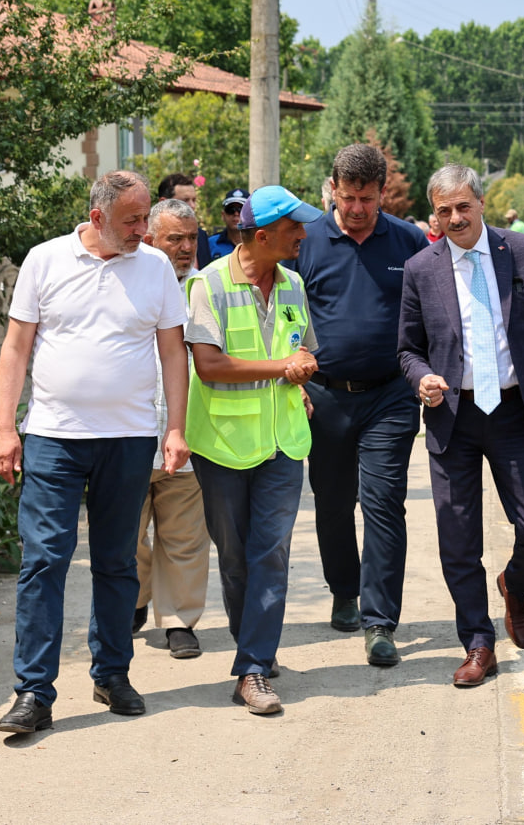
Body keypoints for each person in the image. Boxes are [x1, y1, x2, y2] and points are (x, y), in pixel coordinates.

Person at [0, 170, 189, 734]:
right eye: (133, 220)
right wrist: (5, 428)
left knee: (117, 561)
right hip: (53, 436)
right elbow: (16, 347)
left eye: (146, 217)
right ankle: (34, 692)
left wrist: (176, 428)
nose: (143, 229)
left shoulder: (154, 268)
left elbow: (172, 353)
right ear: (98, 217)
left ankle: (112, 674)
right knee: (44, 560)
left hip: (128, 438)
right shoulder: (45, 260)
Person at [397, 163, 524, 687]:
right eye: (444, 210)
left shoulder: (520, 251)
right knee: (457, 539)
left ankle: (516, 586)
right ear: (433, 214)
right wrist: (423, 378)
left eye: (462, 207)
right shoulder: (420, 268)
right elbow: (407, 349)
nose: (455, 218)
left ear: (480, 203)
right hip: (453, 416)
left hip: (516, 411)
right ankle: (478, 643)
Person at [287, 143, 428, 666]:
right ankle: (344, 590)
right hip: (324, 396)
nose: (356, 209)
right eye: (347, 198)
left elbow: (431, 311)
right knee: (332, 501)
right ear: (333, 189)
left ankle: (380, 620)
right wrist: (294, 374)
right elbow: (283, 312)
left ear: (382, 193)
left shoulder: (409, 241)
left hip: (390, 395)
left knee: (384, 502)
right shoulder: (305, 241)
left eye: (367, 199)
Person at [185, 184, 322, 715]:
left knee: (271, 553)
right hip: (222, 445)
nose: (303, 235)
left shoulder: (293, 284)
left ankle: (253, 667)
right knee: (236, 556)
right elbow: (209, 366)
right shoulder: (208, 285)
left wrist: (302, 373)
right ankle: (254, 648)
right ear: (261, 236)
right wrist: (284, 367)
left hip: (283, 443)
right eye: (293, 228)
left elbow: (299, 349)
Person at [132, 199, 211, 660]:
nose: (185, 247)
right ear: (149, 239)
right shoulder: (127, 284)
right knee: (128, 534)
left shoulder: (206, 289)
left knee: (185, 537)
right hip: (130, 433)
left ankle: (180, 621)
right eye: (174, 238)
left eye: (191, 238)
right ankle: (135, 598)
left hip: (187, 434)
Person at [158, 173, 212, 269]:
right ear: (163, 203)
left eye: (194, 200)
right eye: (185, 200)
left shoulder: (202, 237)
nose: (192, 206)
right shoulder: (146, 239)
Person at [208, 187, 251, 260]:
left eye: (241, 209)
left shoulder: (259, 243)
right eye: (231, 210)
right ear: (223, 215)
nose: (236, 213)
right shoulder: (210, 244)